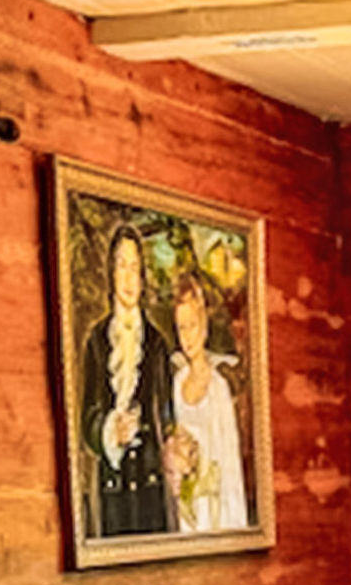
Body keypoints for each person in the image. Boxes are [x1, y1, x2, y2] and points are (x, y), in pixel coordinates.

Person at [79, 225, 174, 536]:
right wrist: (110, 431)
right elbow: (87, 418)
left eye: (135, 267)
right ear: (111, 273)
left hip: (150, 482)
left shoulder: (157, 344)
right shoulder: (96, 341)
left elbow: (168, 415)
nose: (129, 277)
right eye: (122, 265)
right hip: (111, 484)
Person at [167, 274, 249, 533]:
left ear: (204, 326)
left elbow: (229, 463)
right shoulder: (177, 382)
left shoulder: (217, 387)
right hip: (186, 503)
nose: (187, 336)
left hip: (215, 508)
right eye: (181, 328)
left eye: (192, 325)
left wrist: (233, 525)